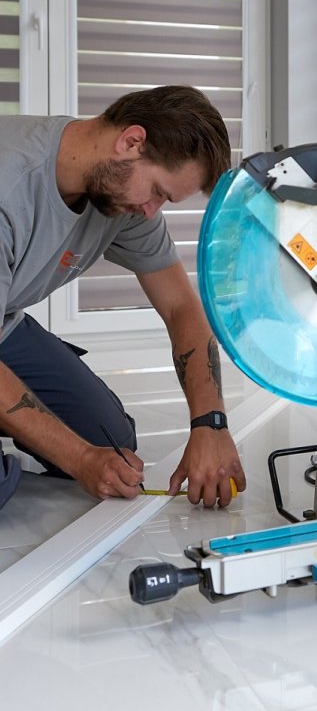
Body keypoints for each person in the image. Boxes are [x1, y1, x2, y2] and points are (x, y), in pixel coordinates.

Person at [0, 84, 246, 508]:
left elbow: (181, 307)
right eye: (159, 193)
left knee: (109, 442)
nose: (153, 211)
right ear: (131, 142)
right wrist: (79, 460)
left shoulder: (120, 194)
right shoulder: (9, 184)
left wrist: (212, 424)